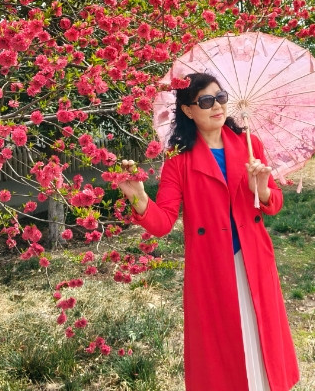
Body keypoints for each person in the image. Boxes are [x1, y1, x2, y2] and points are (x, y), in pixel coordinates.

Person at [119, 72, 299, 391]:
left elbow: (274, 203)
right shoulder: (178, 160)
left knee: (261, 339)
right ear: (188, 110)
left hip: (254, 259)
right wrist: (139, 198)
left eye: (220, 97)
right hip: (211, 267)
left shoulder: (250, 144)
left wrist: (261, 188)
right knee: (222, 352)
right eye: (205, 100)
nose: (217, 106)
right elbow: (162, 223)